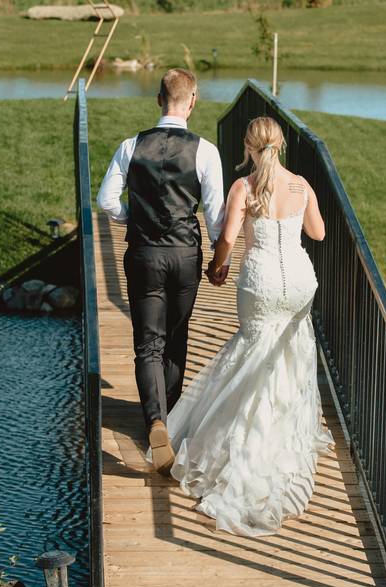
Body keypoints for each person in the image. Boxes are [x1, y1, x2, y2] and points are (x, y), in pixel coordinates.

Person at [161, 116, 334, 536]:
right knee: (289, 355)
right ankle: (281, 435)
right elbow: (319, 232)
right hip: (297, 284)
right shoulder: (301, 186)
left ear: (248, 148)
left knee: (251, 352)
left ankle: (244, 449)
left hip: (260, 283)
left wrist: (217, 267)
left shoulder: (244, 188)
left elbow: (228, 236)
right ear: (282, 146)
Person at [96, 69, 227, 475]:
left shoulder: (130, 145)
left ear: (158, 99)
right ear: (193, 101)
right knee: (175, 338)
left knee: (147, 343)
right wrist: (218, 261)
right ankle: (168, 420)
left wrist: (132, 217)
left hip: (144, 254)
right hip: (185, 255)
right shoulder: (205, 150)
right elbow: (217, 217)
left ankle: (154, 420)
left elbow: (105, 201)